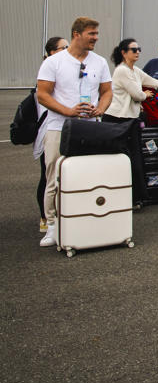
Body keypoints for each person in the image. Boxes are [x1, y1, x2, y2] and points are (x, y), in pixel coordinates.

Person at [35, 17, 113, 247]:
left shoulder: (99, 62)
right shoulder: (54, 62)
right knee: (54, 176)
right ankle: (51, 225)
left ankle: (85, 221)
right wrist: (68, 111)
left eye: (97, 34)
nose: (96, 38)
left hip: (91, 128)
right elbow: (43, 94)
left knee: (88, 175)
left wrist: (101, 107)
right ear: (77, 34)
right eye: (92, 34)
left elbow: (107, 91)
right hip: (59, 127)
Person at [104, 38, 158, 205]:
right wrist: (146, 95)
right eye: (134, 49)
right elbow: (137, 94)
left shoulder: (134, 70)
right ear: (124, 53)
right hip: (117, 119)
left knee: (135, 158)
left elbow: (152, 81)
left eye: (139, 49)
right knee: (124, 159)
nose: (138, 52)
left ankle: (136, 197)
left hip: (131, 120)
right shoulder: (122, 71)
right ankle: (123, 197)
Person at [34, 37, 68, 232]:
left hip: (65, 129)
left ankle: (63, 215)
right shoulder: (48, 70)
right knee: (48, 176)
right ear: (52, 52)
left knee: (63, 174)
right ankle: (46, 218)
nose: (66, 50)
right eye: (63, 48)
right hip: (49, 131)